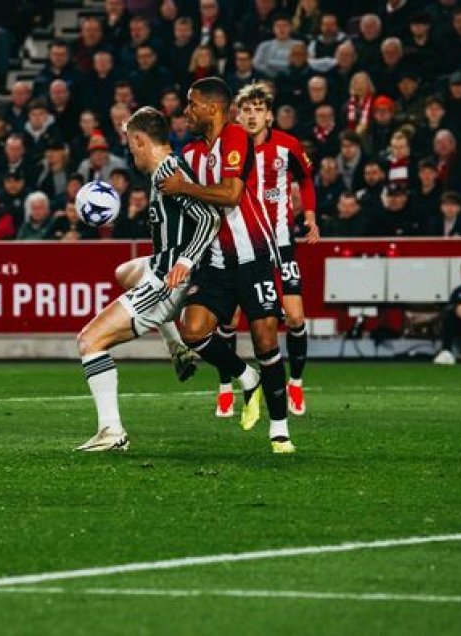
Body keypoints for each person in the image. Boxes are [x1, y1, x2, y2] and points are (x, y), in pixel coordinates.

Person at [160, 77, 295, 454]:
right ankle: (244, 375)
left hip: (254, 257)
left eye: (192, 104)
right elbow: (170, 181)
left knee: (266, 341)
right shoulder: (190, 152)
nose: (187, 111)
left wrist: (183, 188)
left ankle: (280, 429)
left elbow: (232, 194)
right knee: (193, 332)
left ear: (213, 108)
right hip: (215, 260)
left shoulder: (235, 136)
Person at [75, 106, 220, 452]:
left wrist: (185, 260)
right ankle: (176, 345)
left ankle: (112, 432)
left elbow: (210, 219)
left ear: (140, 140)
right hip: (160, 269)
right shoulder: (162, 172)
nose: (129, 150)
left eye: (130, 142)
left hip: (165, 279)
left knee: (90, 341)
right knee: (124, 273)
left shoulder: (169, 171)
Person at [213, 82, 318, 419]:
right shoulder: (227, 147)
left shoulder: (287, 146)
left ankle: (297, 384)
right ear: (237, 115)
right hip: (242, 246)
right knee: (229, 320)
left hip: (281, 243)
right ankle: (226, 386)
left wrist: (311, 217)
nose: (252, 115)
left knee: (296, 317)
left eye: (259, 109)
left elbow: (306, 178)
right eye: (246, 109)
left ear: (270, 116)